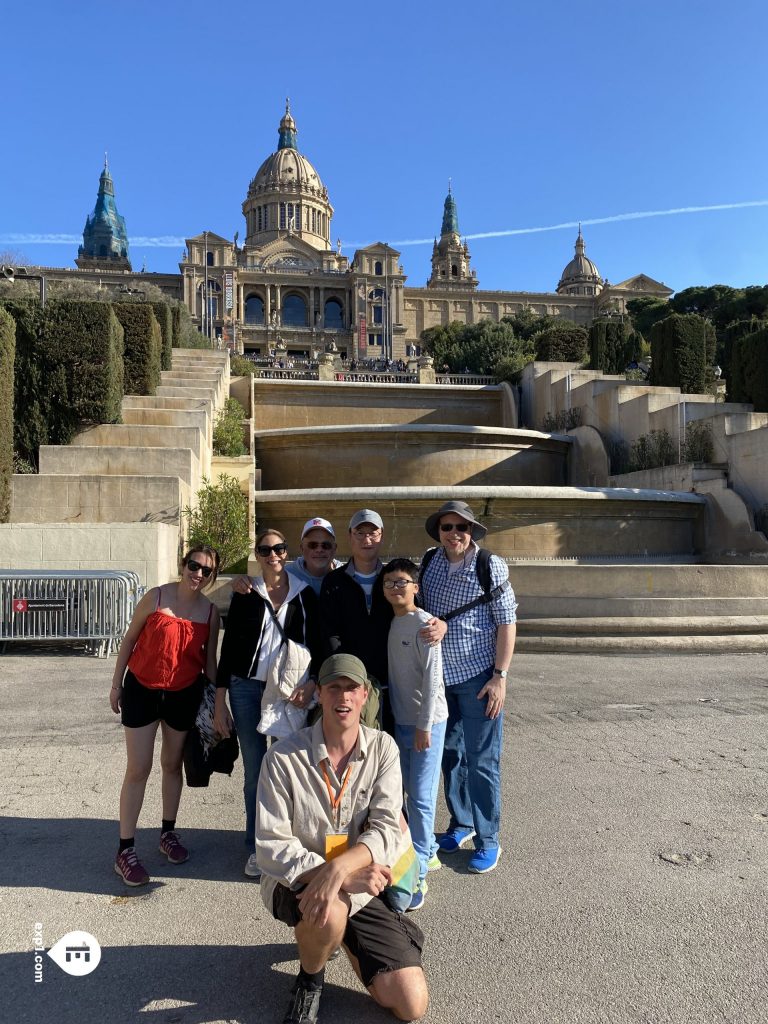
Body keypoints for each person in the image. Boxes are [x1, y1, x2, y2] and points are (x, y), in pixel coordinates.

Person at [256, 653, 429, 1024]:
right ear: (319, 693)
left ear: (365, 695)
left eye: (352, 688)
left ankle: (344, 938)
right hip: (297, 881)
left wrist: (343, 872)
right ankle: (310, 980)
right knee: (330, 911)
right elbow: (271, 845)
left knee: (411, 1004)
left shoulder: (383, 749)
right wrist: (337, 876)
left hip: (362, 885)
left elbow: (386, 827)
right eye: (334, 687)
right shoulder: (283, 758)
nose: (343, 697)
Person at [110, 546, 221, 886]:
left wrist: (218, 704)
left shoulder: (210, 612)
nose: (198, 574)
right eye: (193, 565)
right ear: (182, 564)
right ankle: (125, 850)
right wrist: (116, 684)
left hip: (183, 695)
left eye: (206, 570)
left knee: (172, 765)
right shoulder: (156, 598)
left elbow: (210, 661)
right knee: (138, 768)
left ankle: (167, 833)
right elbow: (130, 639)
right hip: (142, 689)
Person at [215, 529, 322, 878]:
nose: (272, 555)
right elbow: (228, 648)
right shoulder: (246, 593)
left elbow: (318, 645)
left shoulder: (303, 595)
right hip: (245, 688)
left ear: (286, 553)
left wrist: (313, 683)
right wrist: (219, 700)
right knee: (254, 770)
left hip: (287, 691)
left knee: (288, 770)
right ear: (257, 555)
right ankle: (256, 845)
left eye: (278, 548)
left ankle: (286, 842)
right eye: (265, 550)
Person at [418, 500, 517, 875]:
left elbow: (507, 623)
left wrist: (500, 676)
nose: (454, 534)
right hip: (441, 679)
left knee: (483, 760)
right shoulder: (429, 562)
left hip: (479, 677)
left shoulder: (489, 565)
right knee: (451, 757)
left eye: (462, 527)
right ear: (438, 532)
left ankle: (489, 838)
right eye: (447, 527)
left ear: (472, 531)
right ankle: (461, 824)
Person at [381, 559, 447, 911]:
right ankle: (428, 852)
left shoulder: (425, 625)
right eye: (389, 582)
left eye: (402, 581)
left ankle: (418, 871)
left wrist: (424, 725)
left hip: (426, 723)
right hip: (402, 721)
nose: (395, 587)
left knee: (421, 798)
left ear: (416, 588)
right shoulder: (393, 622)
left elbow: (434, 678)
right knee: (406, 793)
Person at [320, 510, 394, 729]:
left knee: (391, 750)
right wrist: (349, 677)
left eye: (373, 533)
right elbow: (329, 632)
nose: (367, 539)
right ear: (350, 536)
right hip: (351, 685)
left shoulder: (394, 579)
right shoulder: (334, 581)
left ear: (382, 536)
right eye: (360, 533)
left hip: (393, 683)